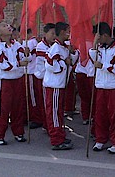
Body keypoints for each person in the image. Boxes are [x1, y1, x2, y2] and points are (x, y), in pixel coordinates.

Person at [0, 22, 29, 145]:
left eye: (8, 25)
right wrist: (18, 64)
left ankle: (18, 132)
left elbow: (25, 58)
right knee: (2, 109)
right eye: (3, 26)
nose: (8, 27)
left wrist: (27, 54)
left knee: (18, 107)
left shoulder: (16, 45)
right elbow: (4, 65)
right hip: (4, 81)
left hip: (17, 79)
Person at [89, 22, 115, 154]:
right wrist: (94, 44)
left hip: (114, 87)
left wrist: (102, 66)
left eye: (98, 36)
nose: (97, 39)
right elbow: (93, 58)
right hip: (101, 86)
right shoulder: (100, 47)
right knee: (100, 115)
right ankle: (100, 139)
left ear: (105, 35)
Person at [43, 22, 78, 150]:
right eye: (68, 31)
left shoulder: (63, 47)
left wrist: (72, 54)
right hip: (54, 86)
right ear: (62, 32)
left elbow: (73, 61)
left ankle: (60, 135)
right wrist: (64, 62)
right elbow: (51, 65)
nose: (70, 33)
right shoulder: (55, 48)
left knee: (58, 112)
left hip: (61, 85)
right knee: (54, 113)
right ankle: (56, 139)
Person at [34, 23, 57, 131]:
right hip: (43, 77)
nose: (54, 36)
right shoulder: (41, 46)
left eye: (55, 33)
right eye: (52, 33)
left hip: (53, 78)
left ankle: (52, 124)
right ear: (45, 33)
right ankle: (47, 125)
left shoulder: (54, 45)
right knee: (46, 103)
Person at [23, 28, 40, 129]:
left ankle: (36, 118)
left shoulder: (31, 42)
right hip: (27, 72)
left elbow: (28, 58)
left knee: (33, 97)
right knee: (29, 96)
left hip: (31, 71)